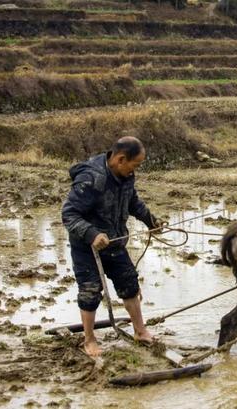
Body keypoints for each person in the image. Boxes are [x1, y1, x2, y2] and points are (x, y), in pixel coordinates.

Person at [62, 136, 161, 357]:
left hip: (115, 241)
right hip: (87, 247)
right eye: (135, 165)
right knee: (90, 291)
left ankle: (140, 330)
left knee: (129, 283)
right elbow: (69, 214)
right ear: (120, 159)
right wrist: (92, 234)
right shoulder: (90, 179)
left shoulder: (126, 176)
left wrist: (151, 221)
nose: (136, 170)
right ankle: (89, 340)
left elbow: (133, 202)